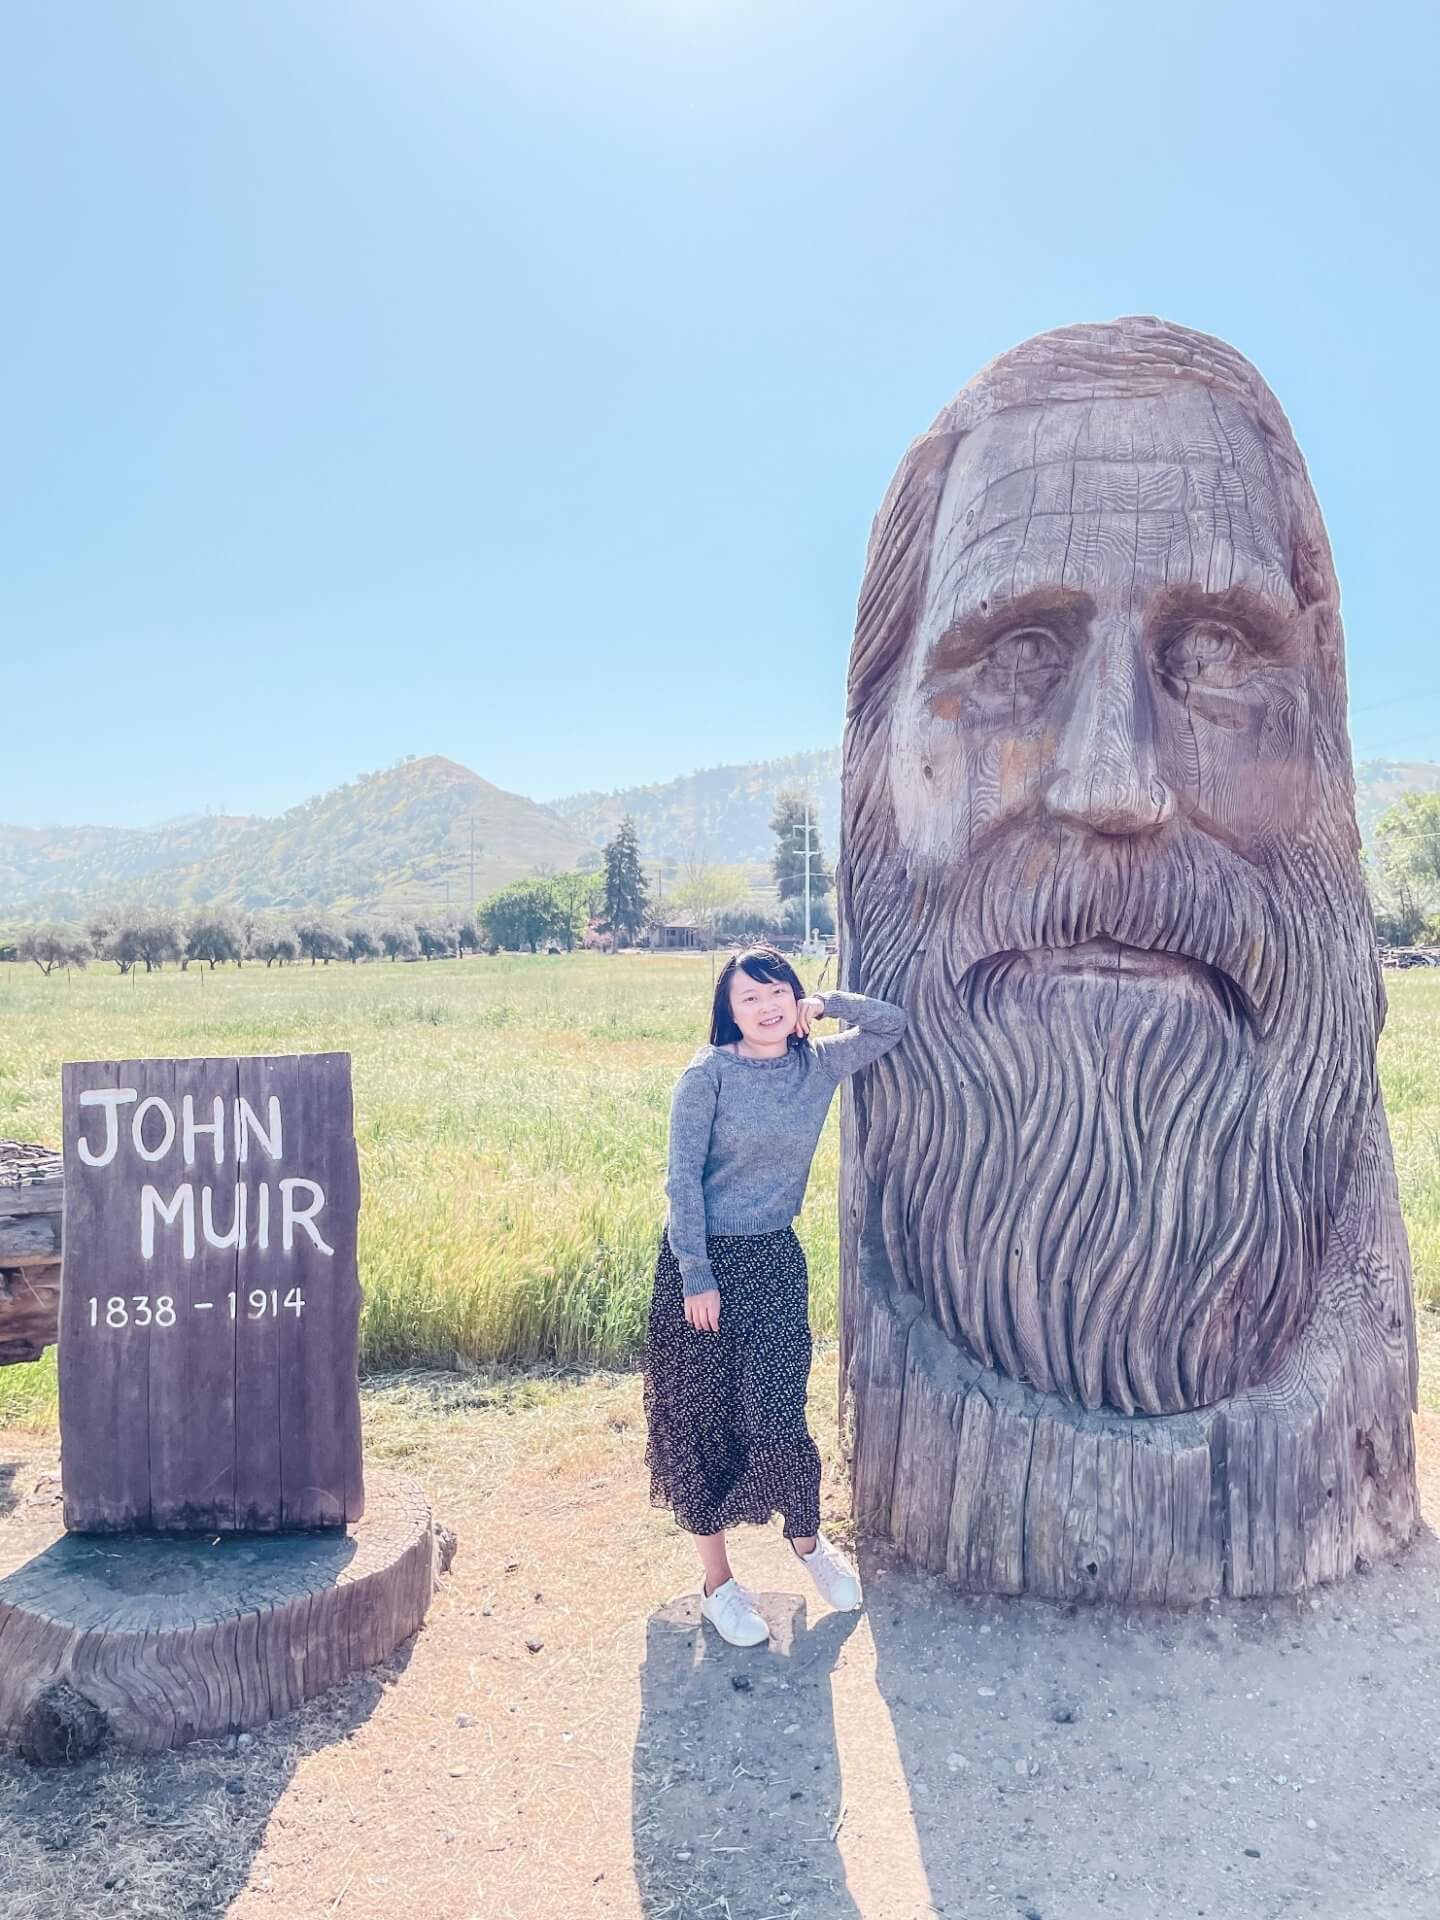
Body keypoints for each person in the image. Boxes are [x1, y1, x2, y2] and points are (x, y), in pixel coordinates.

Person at [642, 944, 908, 1647]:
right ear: (729, 1014)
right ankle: (719, 1586)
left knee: (778, 1412)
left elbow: (891, 1025)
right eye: (748, 999)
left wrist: (830, 1004)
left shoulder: (816, 1065)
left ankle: (808, 1542)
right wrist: (697, 1275)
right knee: (701, 1423)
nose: (765, 1007)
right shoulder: (709, 1075)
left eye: (777, 992)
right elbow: (681, 1183)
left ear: (794, 999)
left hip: (774, 1260)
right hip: (701, 1268)